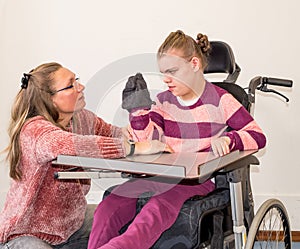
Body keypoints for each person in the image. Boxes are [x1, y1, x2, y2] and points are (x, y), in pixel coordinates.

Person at [88, 31, 267, 249]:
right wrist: (138, 111)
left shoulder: (221, 100)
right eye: (163, 73)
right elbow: (146, 140)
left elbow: (257, 136)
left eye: (172, 71)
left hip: (195, 181)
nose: (166, 79)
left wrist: (231, 139)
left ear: (194, 63)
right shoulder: (163, 101)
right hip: (161, 174)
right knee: (110, 204)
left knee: (154, 211)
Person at [0, 62, 170, 249]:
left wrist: (139, 115)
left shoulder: (83, 119)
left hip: (71, 225)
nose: (81, 87)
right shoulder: (34, 130)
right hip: (27, 234)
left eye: (77, 80)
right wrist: (133, 148)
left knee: (125, 225)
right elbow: (72, 145)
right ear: (51, 99)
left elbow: (119, 134)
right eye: (71, 84)